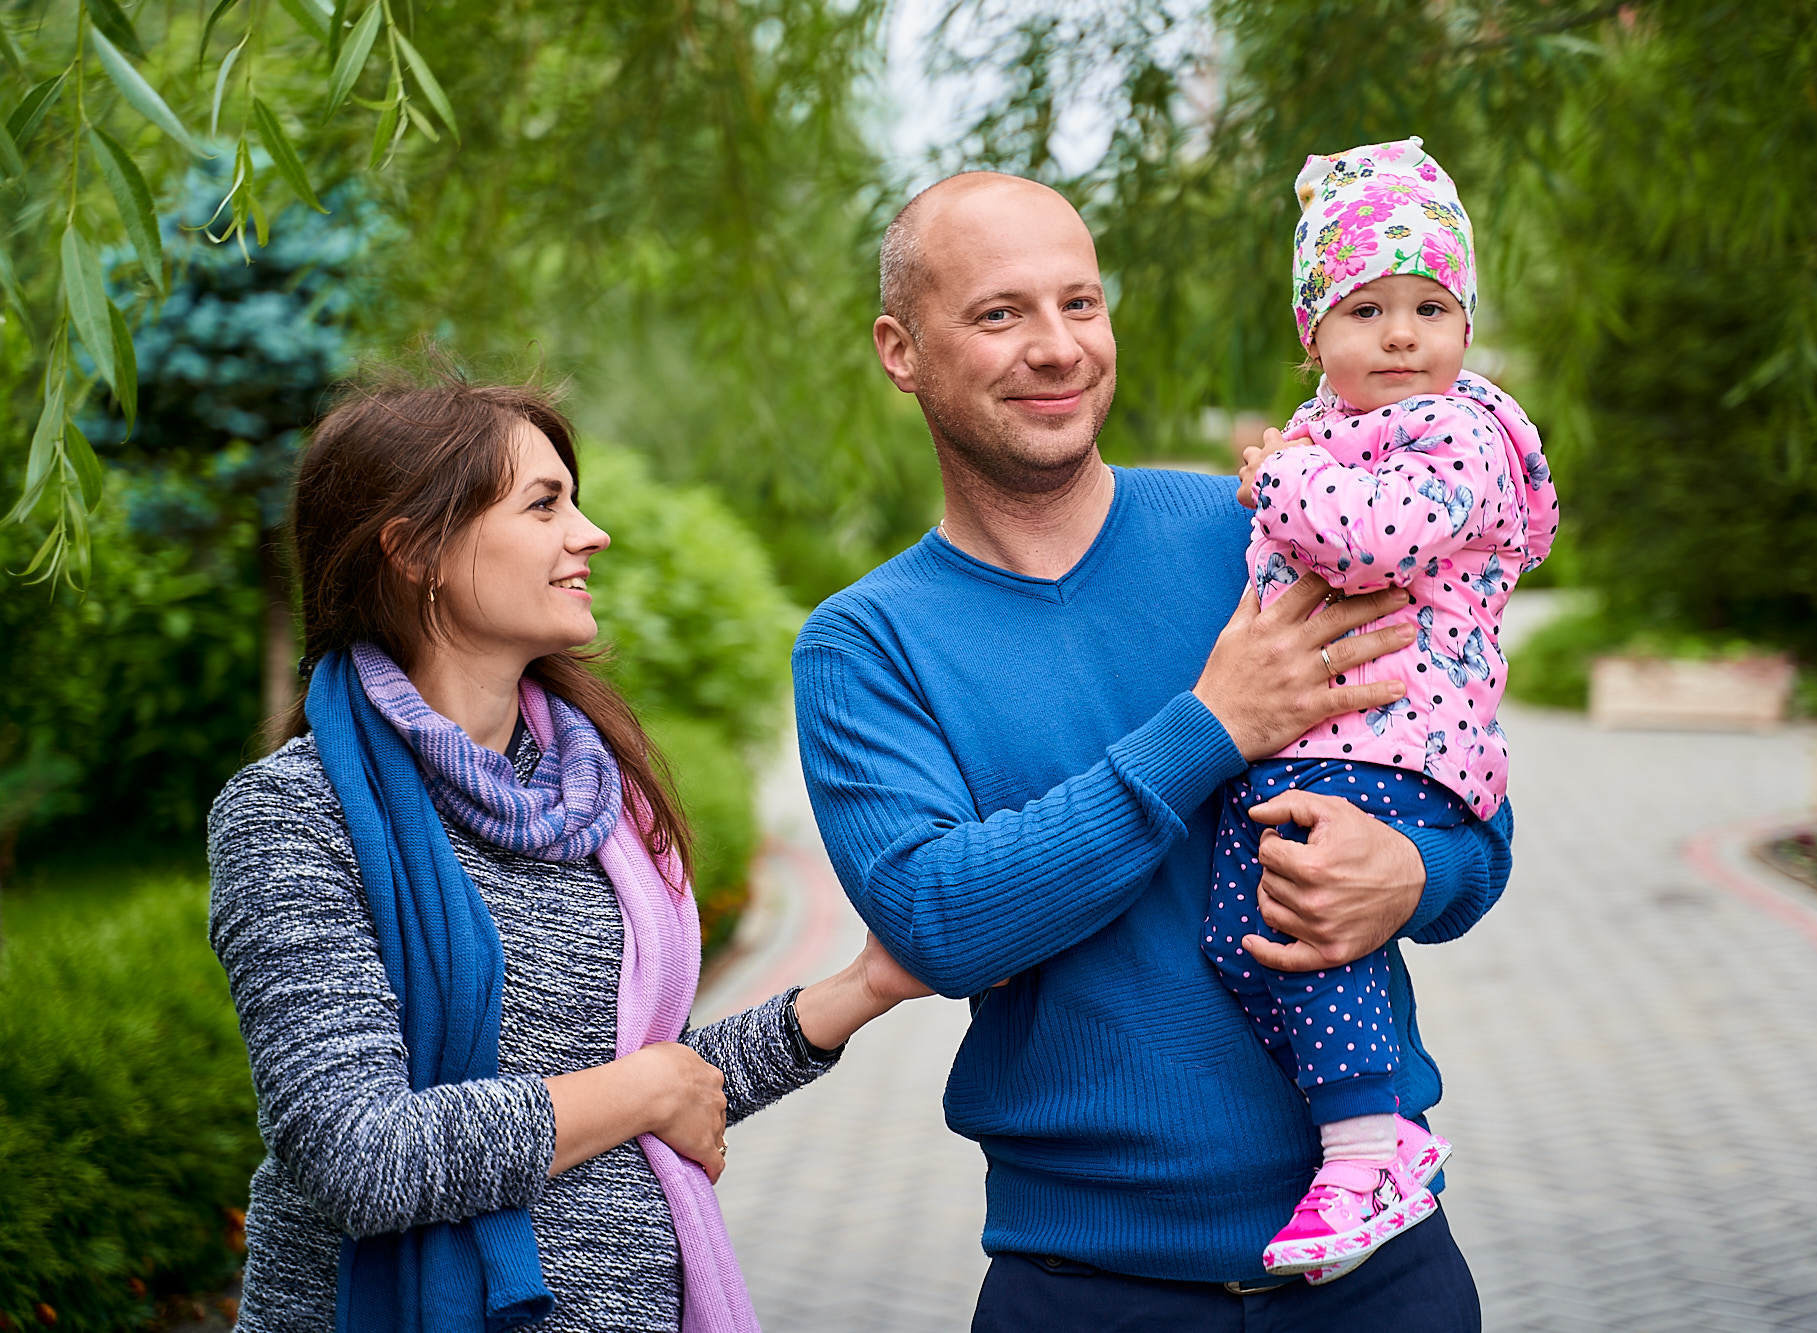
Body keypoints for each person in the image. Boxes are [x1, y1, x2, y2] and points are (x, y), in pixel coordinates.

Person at [791, 169, 1514, 1330]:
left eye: (1080, 304)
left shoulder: (1265, 534)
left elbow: (1465, 802)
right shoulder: (866, 645)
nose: (1055, 347)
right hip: (1087, 1286)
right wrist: (1211, 728)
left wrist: (1416, 873)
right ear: (899, 348)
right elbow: (938, 921)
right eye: (998, 313)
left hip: (1379, 1273)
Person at [205, 366, 931, 1333]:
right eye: (545, 505)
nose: (591, 534)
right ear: (415, 550)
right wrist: (643, 1088)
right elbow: (359, 1156)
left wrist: (861, 988)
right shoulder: (295, 814)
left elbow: (656, 1084)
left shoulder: (594, 798)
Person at [1213, 137, 1558, 1284]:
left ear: (1464, 322)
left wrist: (1276, 481)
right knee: (1242, 936)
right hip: (1327, 735)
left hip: (1391, 740)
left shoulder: (1454, 431)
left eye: (1428, 305)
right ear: (1313, 331)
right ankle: (1363, 1114)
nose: (1400, 333)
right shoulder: (1333, 430)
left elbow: (1376, 536)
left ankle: (1371, 1145)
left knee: (1308, 929)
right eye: (1363, 308)